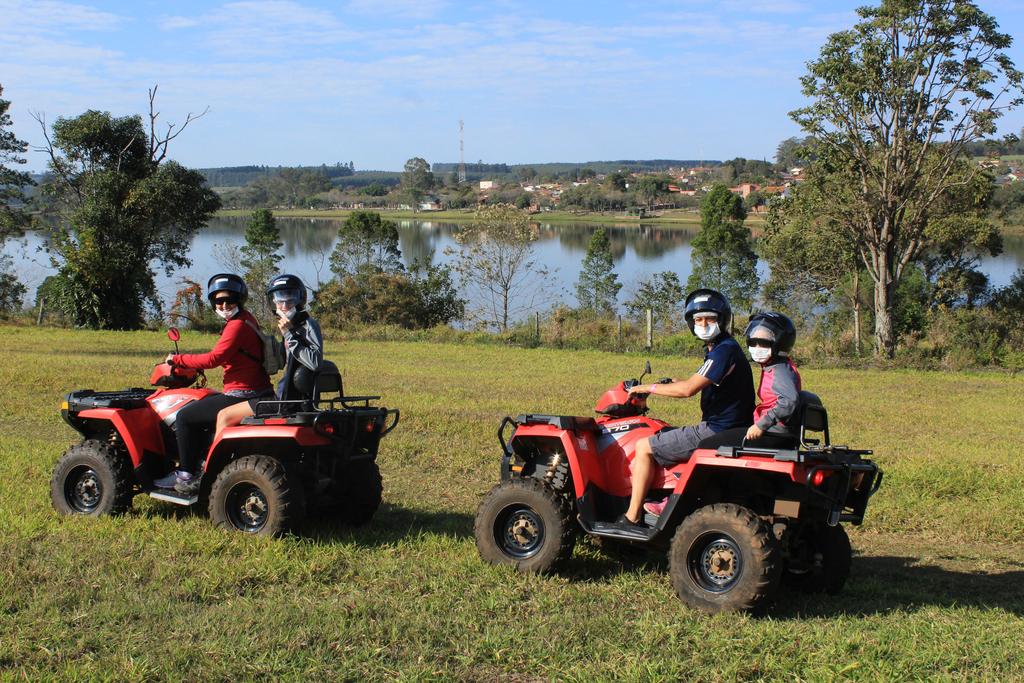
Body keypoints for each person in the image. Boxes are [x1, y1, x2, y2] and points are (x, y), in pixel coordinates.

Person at [618, 288, 755, 527]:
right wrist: (671, 383)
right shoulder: (722, 348)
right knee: (663, 434)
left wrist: (648, 388)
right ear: (692, 324)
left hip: (716, 428)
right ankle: (665, 495)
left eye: (710, 319)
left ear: (721, 320)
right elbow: (697, 381)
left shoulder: (723, 352)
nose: (704, 324)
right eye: (698, 319)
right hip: (731, 425)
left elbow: (688, 390)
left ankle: (632, 517)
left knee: (643, 446)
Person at [155, 273, 274, 492]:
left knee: (185, 416)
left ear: (239, 300)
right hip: (257, 390)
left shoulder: (236, 325)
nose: (225, 304)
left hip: (243, 394)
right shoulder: (248, 318)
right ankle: (200, 460)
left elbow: (214, 358)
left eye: (229, 300)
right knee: (203, 406)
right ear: (213, 303)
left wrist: (176, 359)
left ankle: (186, 476)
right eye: (219, 301)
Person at [214, 274, 323, 436]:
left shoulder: (307, 324)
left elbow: (315, 362)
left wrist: (288, 334)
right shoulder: (292, 324)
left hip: (286, 402)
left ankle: (218, 462)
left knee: (224, 416)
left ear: (300, 300)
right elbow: (281, 362)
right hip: (286, 395)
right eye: (279, 301)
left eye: (290, 301)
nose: (284, 305)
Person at [700, 311, 803, 451]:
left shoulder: (780, 371)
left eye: (763, 342)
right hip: (774, 430)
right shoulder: (774, 366)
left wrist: (761, 425)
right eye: (753, 342)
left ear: (780, 342)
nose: (757, 348)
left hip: (775, 433)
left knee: (706, 445)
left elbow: (789, 401)